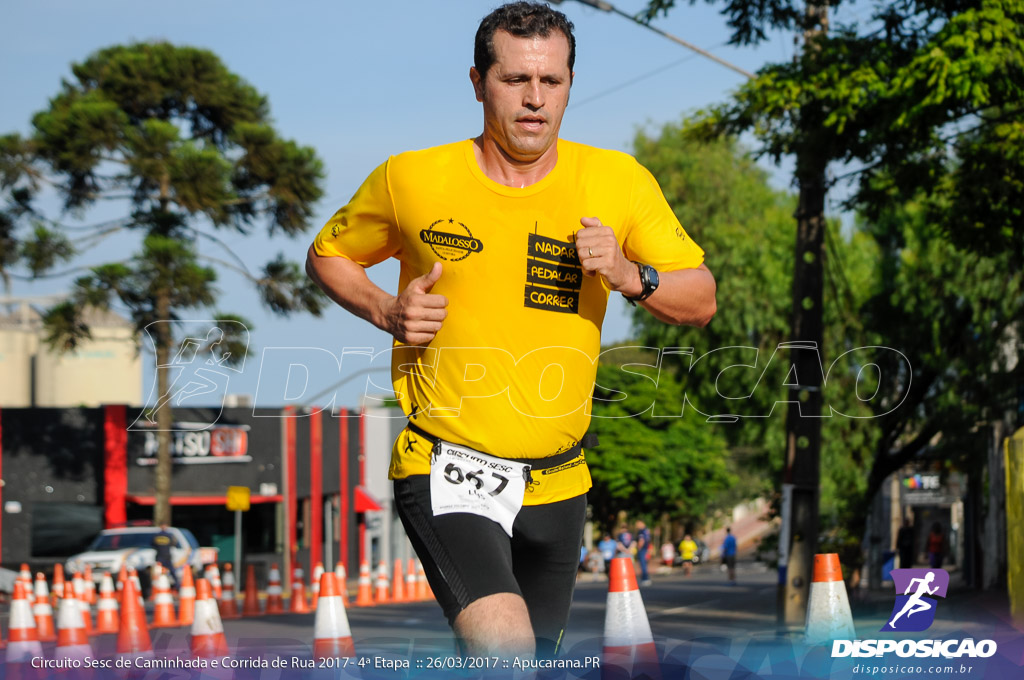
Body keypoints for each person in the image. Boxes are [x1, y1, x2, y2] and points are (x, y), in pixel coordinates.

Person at [306, 1, 716, 659]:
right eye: (514, 80)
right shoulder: (411, 178)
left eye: (551, 82)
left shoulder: (616, 180)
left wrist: (630, 273)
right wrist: (386, 310)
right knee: (507, 655)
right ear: (477, 82)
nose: (534, 99)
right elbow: (328, 254)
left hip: (561, 480)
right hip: (449, 463)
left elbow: (701, 298)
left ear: (570, 85)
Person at [635, 520, 652, 586]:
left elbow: (641, 540)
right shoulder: (646, 530)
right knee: (645, 563)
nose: (636, 526)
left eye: (637, 524)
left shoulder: (641, 531)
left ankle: (645, 578)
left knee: (643, 564)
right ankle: (645, 578)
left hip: (642, 549)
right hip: (646, 548)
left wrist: (639, 547)